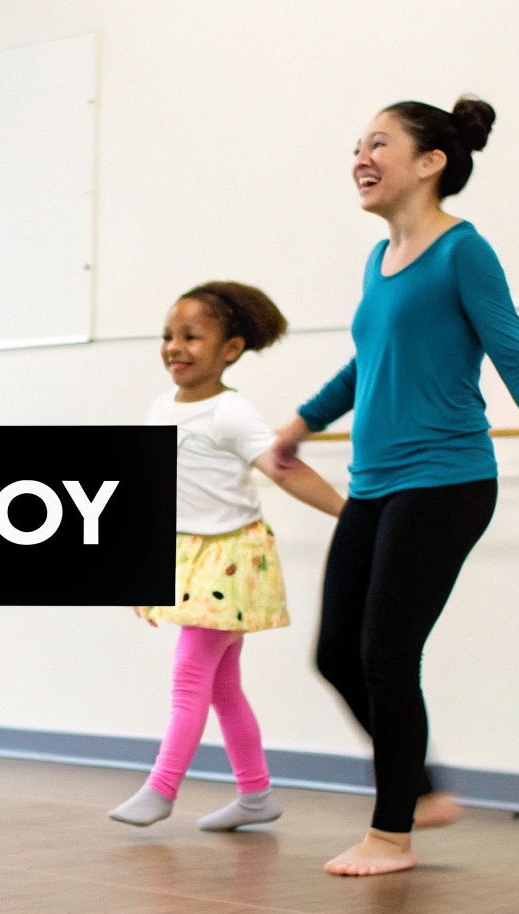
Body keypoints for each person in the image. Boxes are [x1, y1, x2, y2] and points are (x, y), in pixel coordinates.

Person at [270, 97, 519, 876]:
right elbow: (366, 363)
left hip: (447, 481)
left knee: (386, 651)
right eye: (356, 145)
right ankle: (423, 789)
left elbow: (517, 361)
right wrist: (301, 423)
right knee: (337, 653)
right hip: (375, 484)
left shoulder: (463, 252)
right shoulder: (378, 261)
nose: (360, 157)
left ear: (431, 162)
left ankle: (391, 831)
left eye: (379, 143)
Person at [108, 282, 344, 832]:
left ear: (230, 350)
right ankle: (256, 794)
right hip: (187, 555)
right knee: (222, 686)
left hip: (231, 557)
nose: (175, 347)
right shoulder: (161, 409)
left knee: (190, 677)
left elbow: (283, 468)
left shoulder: (230, 412)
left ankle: (162, 788)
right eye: (168, 335)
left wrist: (352, 513)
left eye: (192, 337)